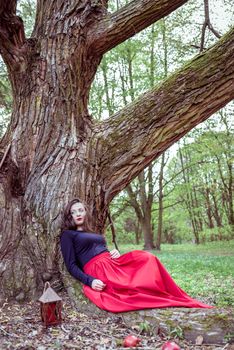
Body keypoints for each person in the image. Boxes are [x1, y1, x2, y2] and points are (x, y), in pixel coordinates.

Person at [60, 198, 212, 313]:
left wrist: (112, 252)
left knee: (147, 258)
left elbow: (99, 247)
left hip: (113, 262)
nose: (77, 214)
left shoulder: (90, 231)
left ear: (85, 212)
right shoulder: (68, 235)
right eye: (73, 212)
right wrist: (90, 281)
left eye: (80, 210)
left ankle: (165, 291)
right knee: (131, 288)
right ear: (69, 216)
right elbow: (71, 265)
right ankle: (153, 294)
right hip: (99, 271)